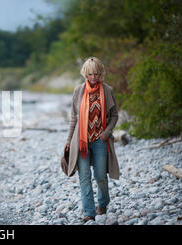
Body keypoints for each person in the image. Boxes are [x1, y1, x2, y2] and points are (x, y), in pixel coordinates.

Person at [64, 57, 120, 223]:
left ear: (100, 73)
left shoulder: (107, 90)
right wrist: (68, 140)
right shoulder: (78, 91)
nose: (93, 77)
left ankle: (102, 204)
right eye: (90, 74)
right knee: (84, 177)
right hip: (81, 140)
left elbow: (114, 116)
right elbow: (74, 117)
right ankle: (89, 212)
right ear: (85, 74)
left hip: (100, 140)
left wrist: (107, 133)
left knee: (101, 176)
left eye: (96, 73)